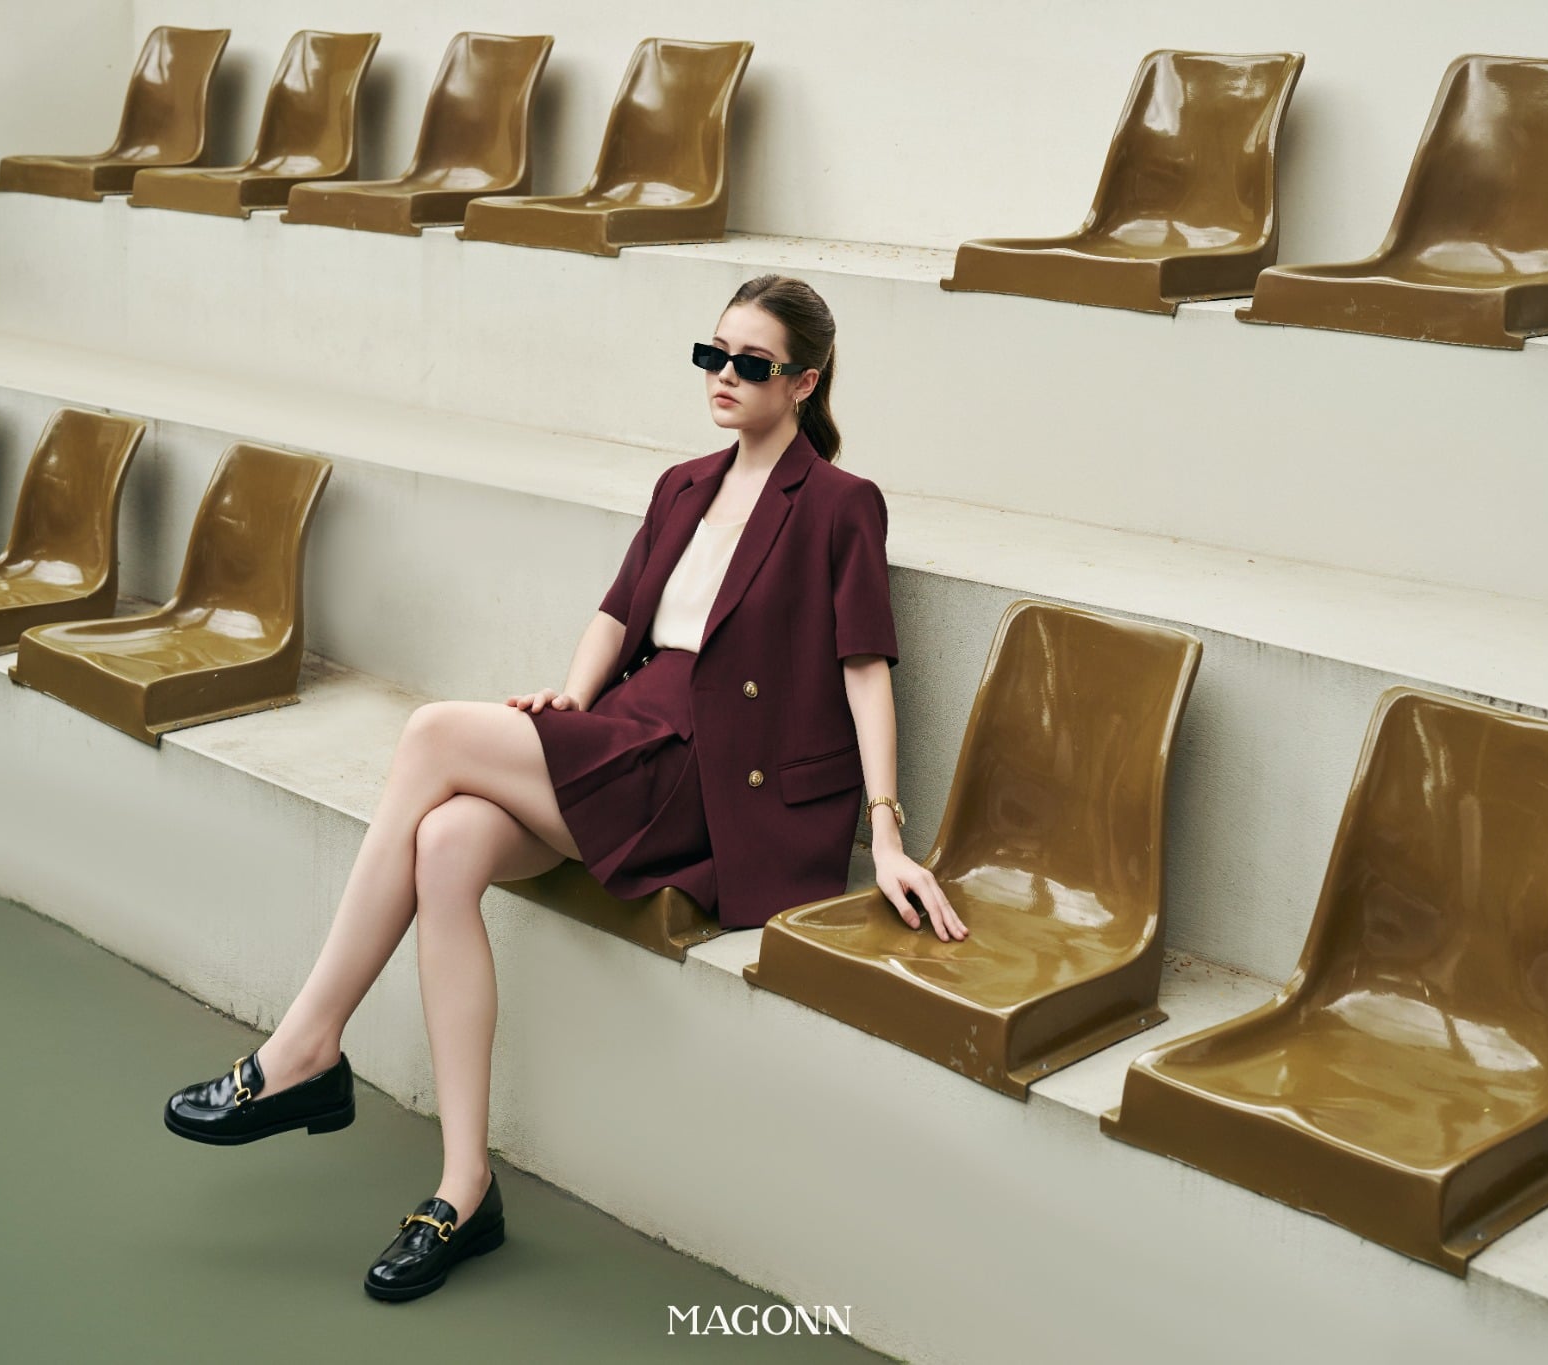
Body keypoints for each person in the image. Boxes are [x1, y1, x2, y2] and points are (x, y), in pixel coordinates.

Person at [160, 273, 959, 1303]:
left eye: (750, 363)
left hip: (713, 777)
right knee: (446, 844)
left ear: (803, 381)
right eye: (710, 354)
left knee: (431, 733)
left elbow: (864, 666)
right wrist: (574, 700)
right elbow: (618, 615)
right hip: (631, 730)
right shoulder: (683, 484)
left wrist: (885, 833)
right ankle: (463, 1188)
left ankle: (306, 1045)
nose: (722, 375)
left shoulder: (841, 505)